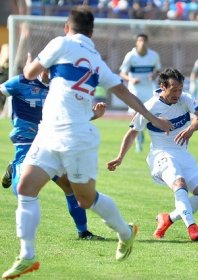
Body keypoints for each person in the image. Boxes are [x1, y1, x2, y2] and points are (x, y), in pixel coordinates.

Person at [2, 6, 173, 279]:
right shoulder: (96, 60)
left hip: (75, 136)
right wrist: (153, 117)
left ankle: (126, 233)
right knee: (26, 187)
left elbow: (31, 73)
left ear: (67, 28)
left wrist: (38, 65)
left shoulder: (60, 43)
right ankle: (27, 256)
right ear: (92, 32)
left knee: (85, 199)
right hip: (49, 133)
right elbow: (124, 92)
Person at [107, 68, 198, 241]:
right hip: (161, 155)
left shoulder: (185, 98)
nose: (178, 94)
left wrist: (191, 128)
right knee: (180, 184)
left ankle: (167, 219)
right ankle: (192, 227)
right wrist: (119, 157)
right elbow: (133, 132)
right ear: (163, 86)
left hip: (182, 154)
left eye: (180, 89)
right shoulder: (150, 106)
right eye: (174, 90)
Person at [0, 70, 105, 240]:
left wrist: (94, 114)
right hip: (26, 142)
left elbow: (72, 117)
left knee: (70, 186)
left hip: (50, 144)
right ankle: (15, 169)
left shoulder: (62, 90)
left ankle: (84, 232)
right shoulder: (21, 82)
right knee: (21, 190)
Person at [119, 33, 162, 152]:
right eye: (140, 40)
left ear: (147, 43)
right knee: (135, 114)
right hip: (135, 90)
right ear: (136, 42)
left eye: (144, 40)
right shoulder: (131, 56)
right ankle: (138, 138)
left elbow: (158, 70)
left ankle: (152, 139)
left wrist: (154, 75)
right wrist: (131, 79)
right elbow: (122, 73)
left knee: (150, 114)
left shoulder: (153, 55)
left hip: (149, 89)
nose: (142, 43)